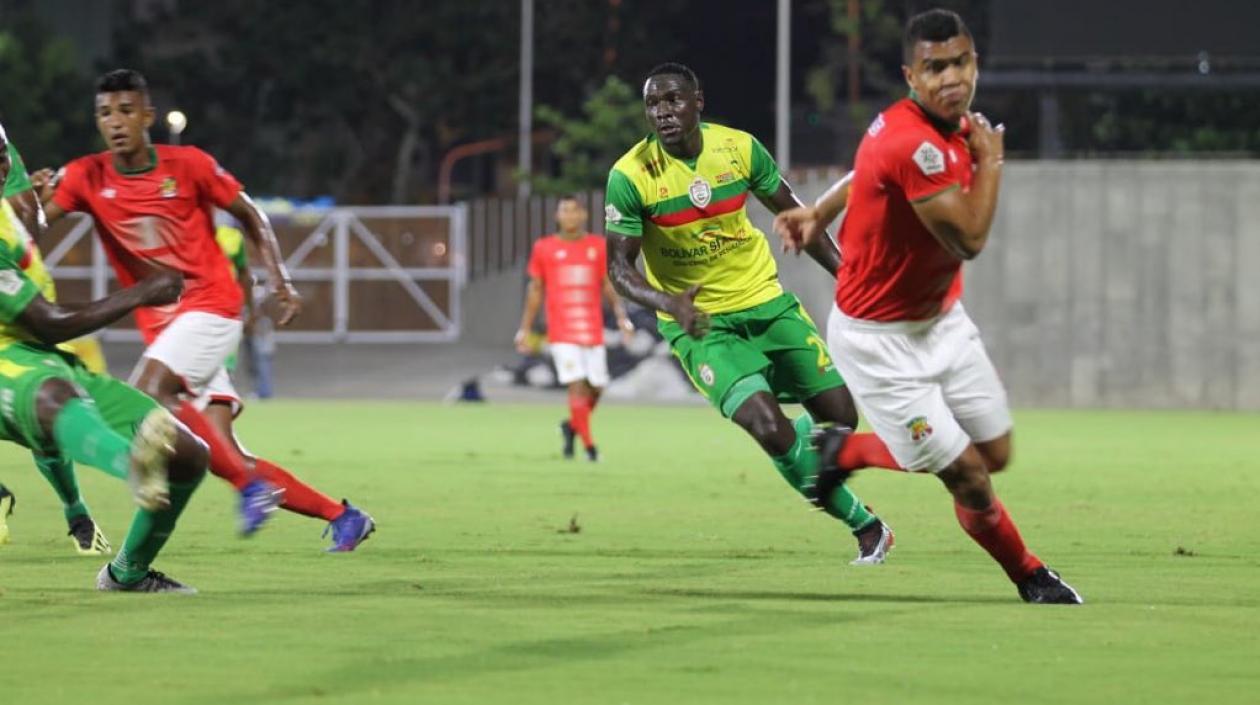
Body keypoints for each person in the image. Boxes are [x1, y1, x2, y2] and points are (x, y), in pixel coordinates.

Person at [773, 9, 1082, 603]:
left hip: (942, 323)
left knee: (995, 453)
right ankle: (1030, 576)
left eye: (960, 63)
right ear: (911, 76)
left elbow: (865, 170)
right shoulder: (918, 142)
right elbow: (967, 238)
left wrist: (818, 212)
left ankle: (846, 449)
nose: (951, 78)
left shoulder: (923, 127)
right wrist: (991, 161)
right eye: (934, 67)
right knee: (967, 475)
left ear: (975, 64)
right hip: (878, 342)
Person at [37, 69, 374, 551]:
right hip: (166, 330)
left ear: (148, 116)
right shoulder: (87, 176)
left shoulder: (189, 164)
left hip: (211, 305)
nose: (115, 122)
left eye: (126, 111)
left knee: (147, 395)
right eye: (105, 113)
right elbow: (30, 225)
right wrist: (29, 193)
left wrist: (281, 280)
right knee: (221, 454)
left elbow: (249, 213)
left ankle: (248, 491)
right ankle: (343, 516)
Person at [604, 63, 901, 564]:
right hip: (700, 325)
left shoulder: (739, 149)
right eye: (653, 104)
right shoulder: (630, 176)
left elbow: (799, 218)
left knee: (841, 419)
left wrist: (852, 279)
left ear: (699, 100)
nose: (663, 113)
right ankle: (865, 526)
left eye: (673, 100)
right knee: (766, 426)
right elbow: (618, 267)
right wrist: (666, 303)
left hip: (766, 303)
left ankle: (801, 442)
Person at [0, 121, 211, 592]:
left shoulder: (8, 190)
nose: (4, 166)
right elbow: (49, 320)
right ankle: (130, 462)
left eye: (2, 155)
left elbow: (26, 224)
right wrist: (142, 292)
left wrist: (31, 199)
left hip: (41, 354)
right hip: (13, 358)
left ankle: (127, 573)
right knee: (52, 398)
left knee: (190, 455)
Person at [0, 136, 111, 555]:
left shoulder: (4, 146)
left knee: (38, 419)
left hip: (13, 306)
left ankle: (76, 512)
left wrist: (31, 202)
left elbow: (24, 230)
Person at [515, 195, 634, 461]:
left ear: (583, 216)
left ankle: (571, 428)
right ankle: (591, 448)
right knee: (577, 385)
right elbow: (535, 289)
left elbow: (608, 285)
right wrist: (524, 328)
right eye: (564, 211)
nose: (569, 215)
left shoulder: (598, 246)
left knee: (598, 386)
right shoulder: (544, 248)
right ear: (557, 216)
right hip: (561, 329)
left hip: (591, 329)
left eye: (574, 211)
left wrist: (622, 317)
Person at [216, 214, 275, 399]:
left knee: (256, 348)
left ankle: (262, 390)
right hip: (229, 306)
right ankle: (259, 390)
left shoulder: (230, 238)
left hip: (227, 306)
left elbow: (245, 276)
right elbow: (245, 276)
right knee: (254, 349)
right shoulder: (234, 238)